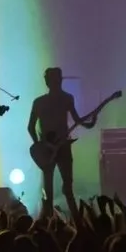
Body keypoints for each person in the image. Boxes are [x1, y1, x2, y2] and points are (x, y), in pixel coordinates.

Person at [27, 67, 92, 215]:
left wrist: (39, 145)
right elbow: (30, 127)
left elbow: (77, 120)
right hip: (52, 149)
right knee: (61, 188)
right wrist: (40, 146)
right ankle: (70, 220)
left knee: (60, 187)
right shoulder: (50, 100)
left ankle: (67, 219)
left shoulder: (61, 99)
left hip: (59, 147)